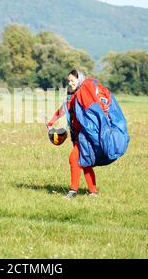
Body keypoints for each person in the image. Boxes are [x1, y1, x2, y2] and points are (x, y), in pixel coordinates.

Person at [47, 70, 98, 199]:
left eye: (72, 80)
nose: (69, 83)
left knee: (73, 158)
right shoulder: (72, 94)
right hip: (76, 134)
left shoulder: (86, 94)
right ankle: (93, 192)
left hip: (86, 135)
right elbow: (64, 108)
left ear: (79, 79)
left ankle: (73, 191)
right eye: (68, 81)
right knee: (85, 162)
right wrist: (51, 122)